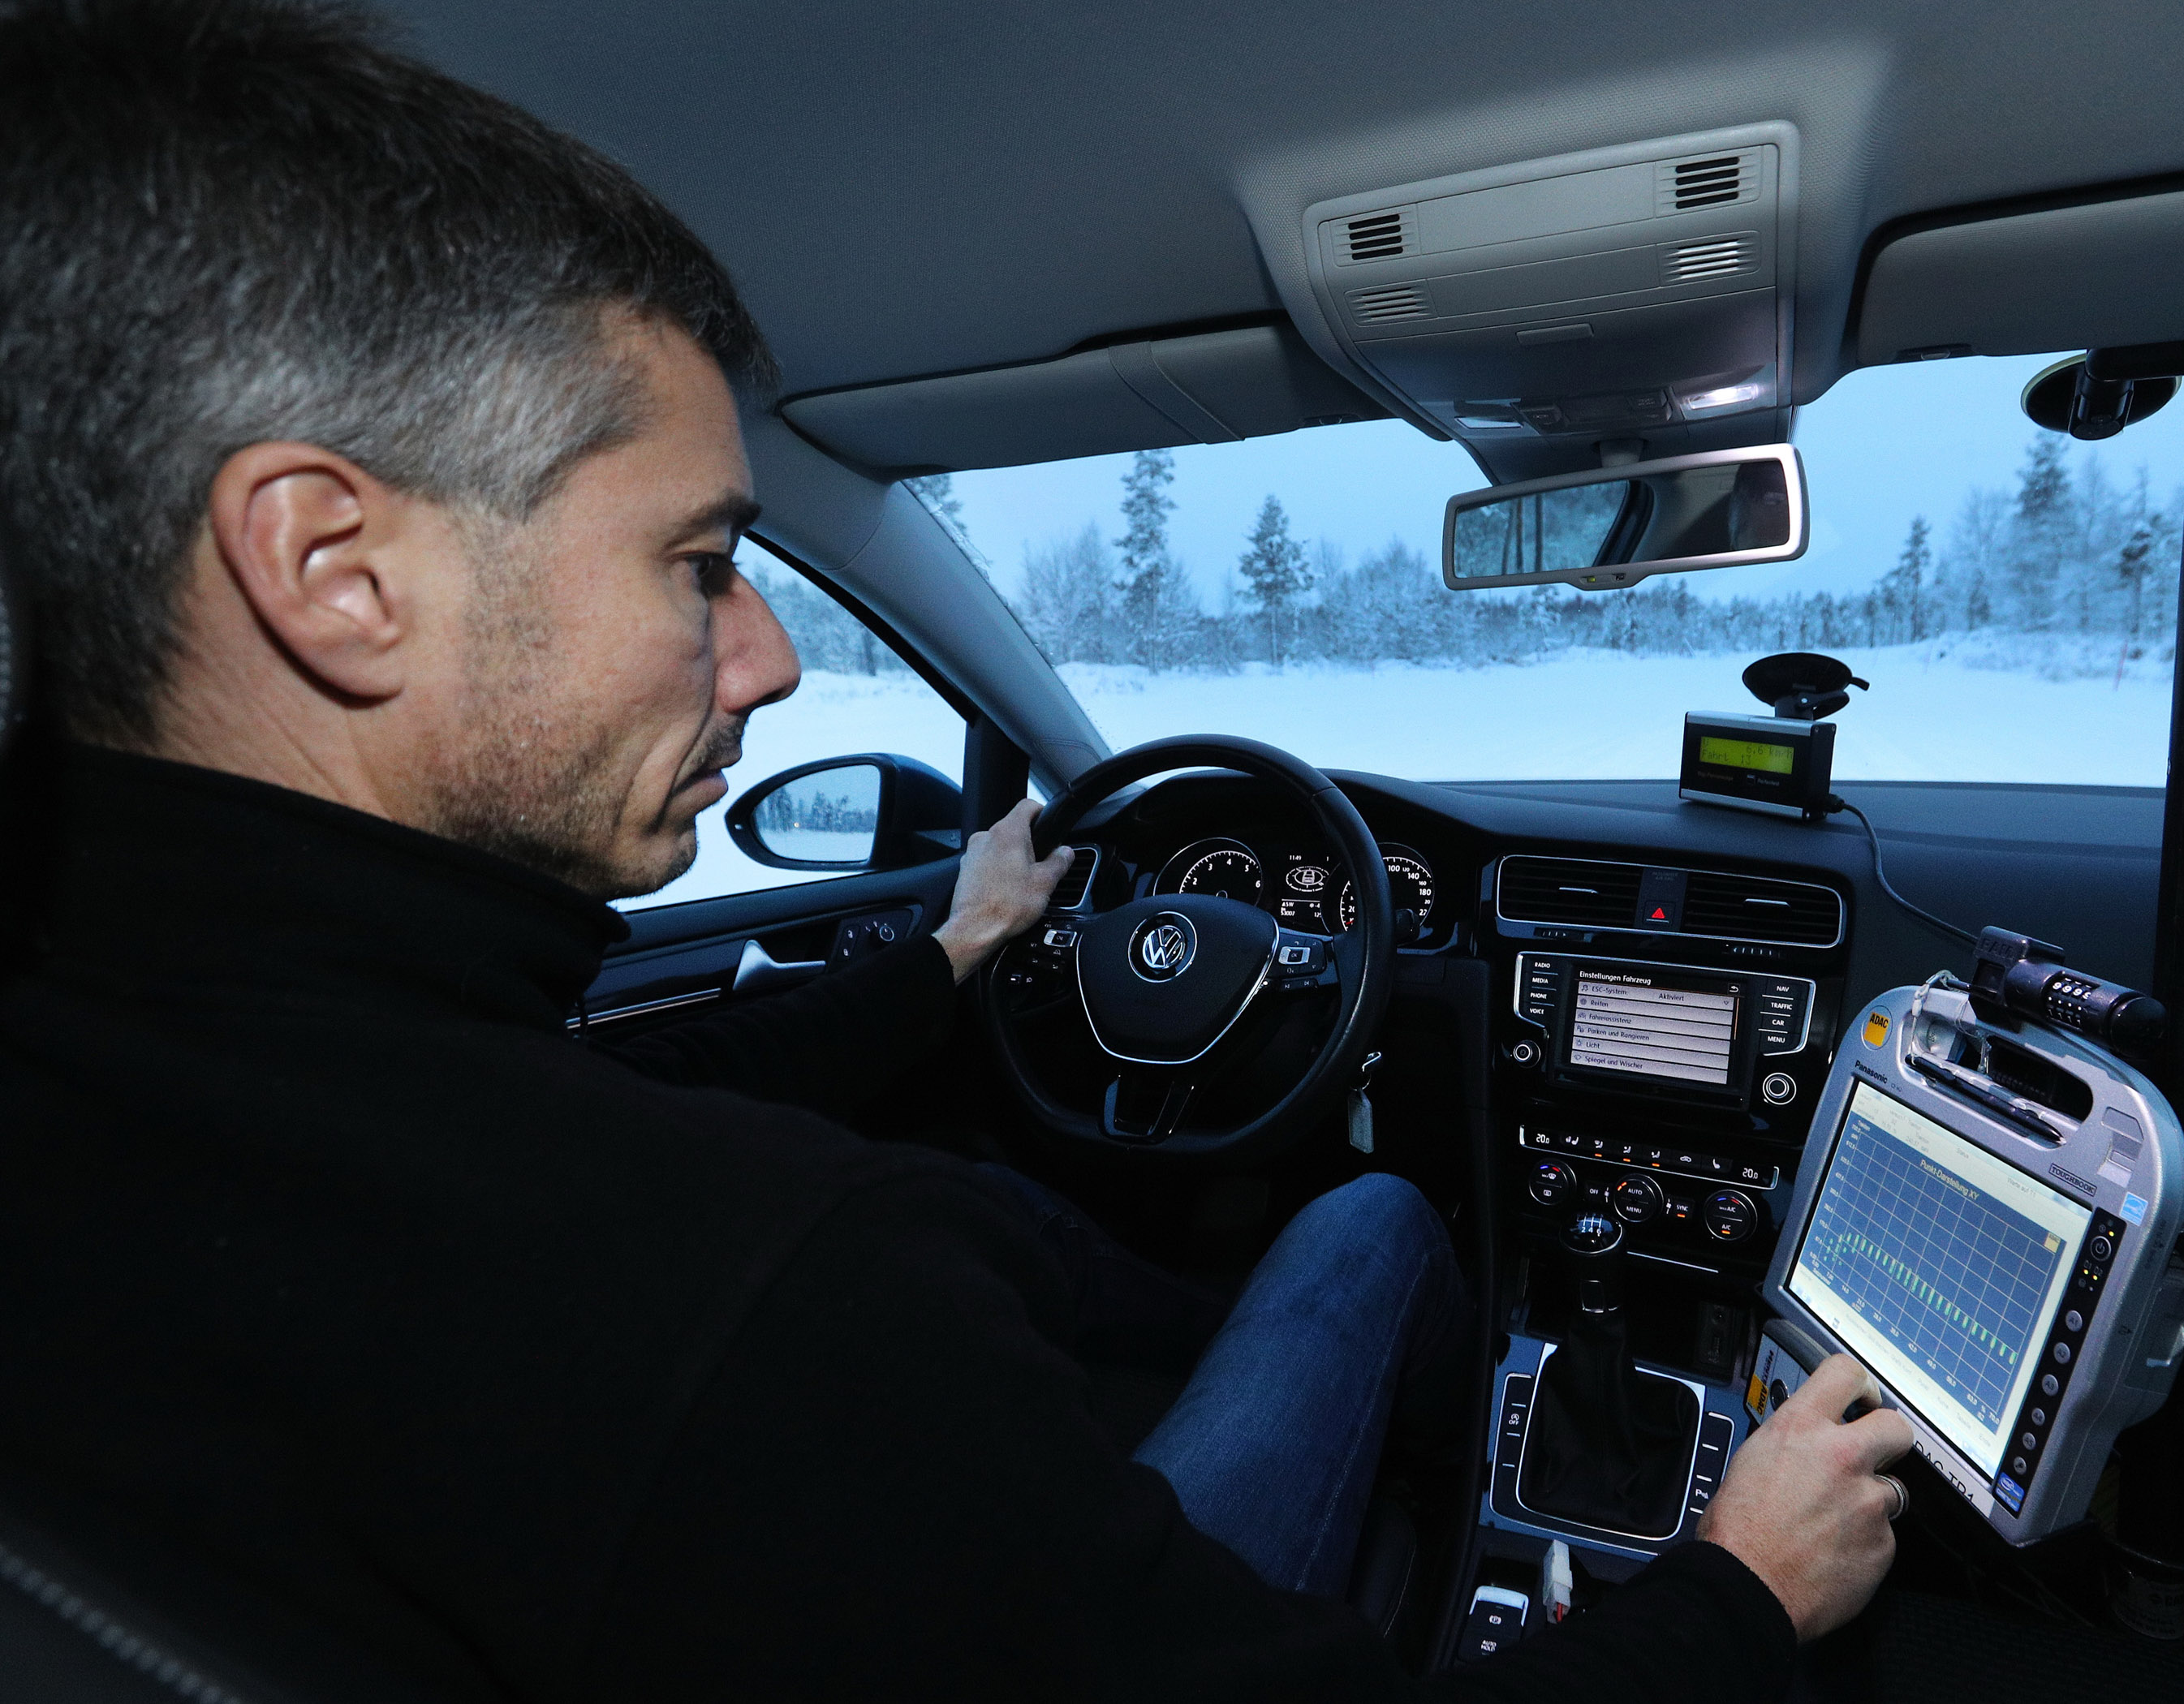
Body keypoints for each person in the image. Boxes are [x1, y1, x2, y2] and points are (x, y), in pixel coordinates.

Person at [0, 2, 1914, 1698]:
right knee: (1370, 1225)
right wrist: (1741, 1591)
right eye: (698, 563)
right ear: (335, 572)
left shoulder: (150, 1065)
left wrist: (948, 952)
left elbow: (652, 1078)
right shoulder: (771, 1304)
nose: (766, 656)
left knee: (991, 1208)